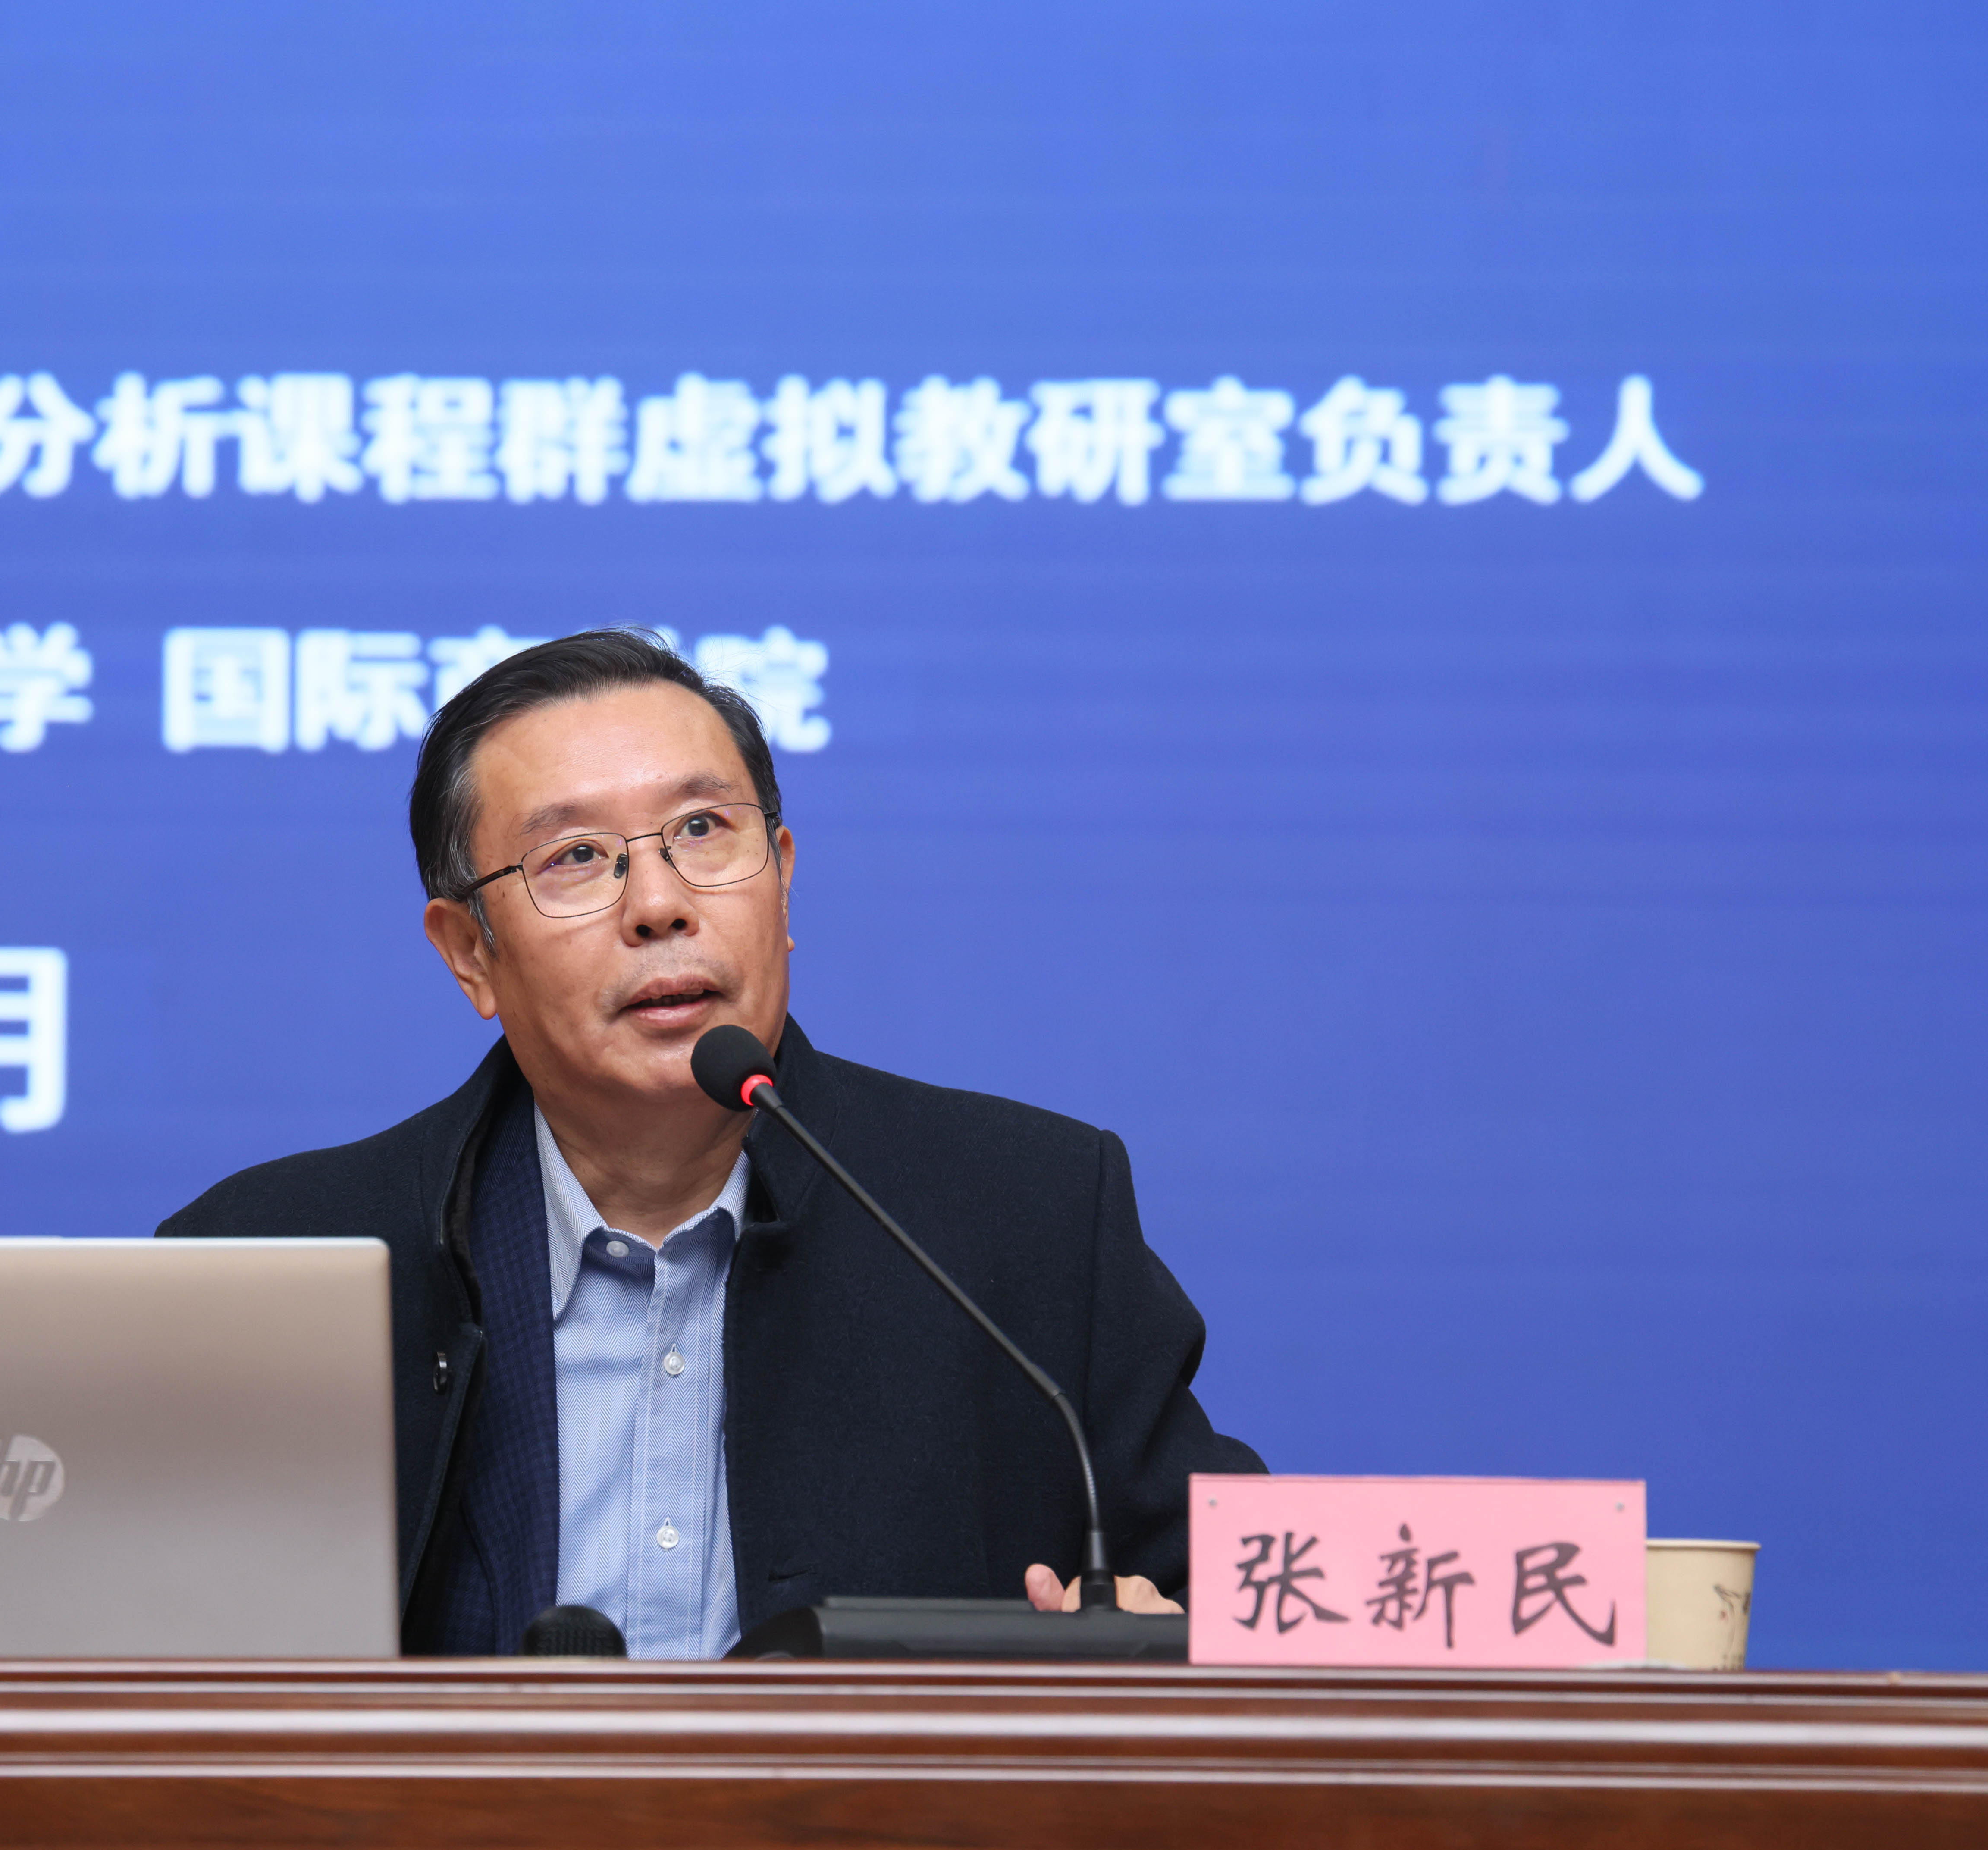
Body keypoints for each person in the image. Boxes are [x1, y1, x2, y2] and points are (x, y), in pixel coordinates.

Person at [159, 626, 1261, 1657]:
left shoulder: (1022, 1220)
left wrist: (1152, 1645)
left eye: (700, 831)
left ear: (781, 874)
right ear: (469, 954)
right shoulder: (271, 1264)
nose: (657, 903)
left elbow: (1259, 1605)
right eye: (575, 856)